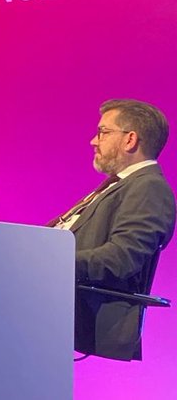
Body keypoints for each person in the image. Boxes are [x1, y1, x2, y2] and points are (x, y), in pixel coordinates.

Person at [50, 99, 175, 361]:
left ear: (130, 140)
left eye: (102, 132)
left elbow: (122, 259)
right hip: (51, 301)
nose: (93, 141)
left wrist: (50, 261)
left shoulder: (148, 188)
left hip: (75, 311)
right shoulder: (121, 184)